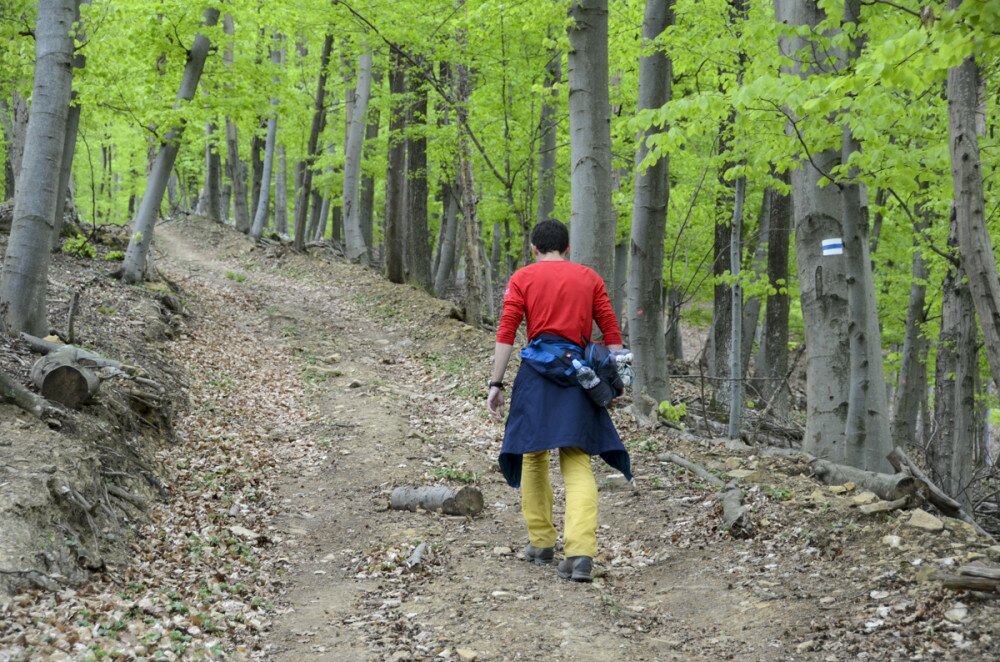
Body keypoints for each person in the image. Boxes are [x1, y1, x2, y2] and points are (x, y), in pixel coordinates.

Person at [486, 219, 632, 583]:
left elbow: (506, 332)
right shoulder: (589, 278)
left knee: (534, 454)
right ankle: (581, 554)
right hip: (579, 377)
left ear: (534, 248)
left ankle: (541, 542)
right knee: (577, 459)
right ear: (568, 248)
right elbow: (612, 331)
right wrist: (620, 382)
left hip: (536, 376)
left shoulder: (523, 278)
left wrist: (495, 382)